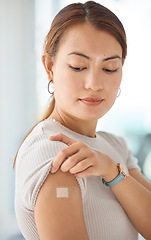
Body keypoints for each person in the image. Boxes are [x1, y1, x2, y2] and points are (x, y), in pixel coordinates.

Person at [14, 1, 151, 240]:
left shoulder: (115, 147)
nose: (95, 84)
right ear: (49, 67)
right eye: (78, 66)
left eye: (109, 68)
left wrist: (112, 171)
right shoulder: (54, 152)